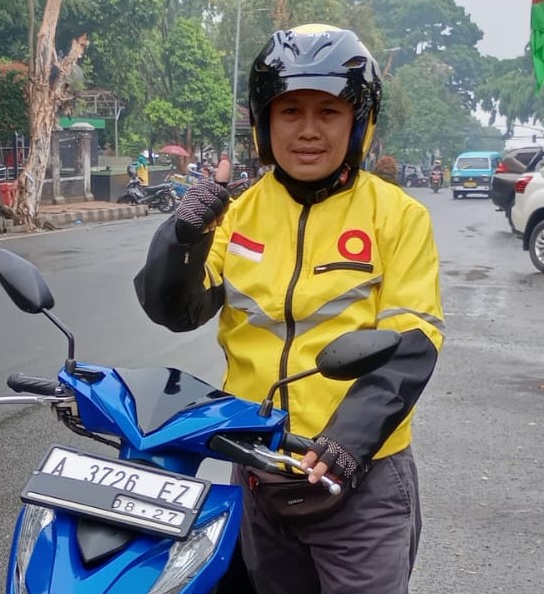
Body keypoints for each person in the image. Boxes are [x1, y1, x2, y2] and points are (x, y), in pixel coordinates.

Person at [134, 23, 444, 594]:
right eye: (289, 111)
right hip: (257, 469)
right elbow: (174, 309)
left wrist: (347, 444)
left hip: (358, 477)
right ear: (263, 121)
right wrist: (182, 236)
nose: (307, 131)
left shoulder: (397, 218)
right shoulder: (240, 212)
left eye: (328, 112)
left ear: (359, 122)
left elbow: (412, 340)